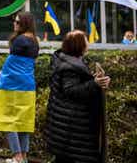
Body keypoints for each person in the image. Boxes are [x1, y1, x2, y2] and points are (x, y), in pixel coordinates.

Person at [46, 30, 110, 163]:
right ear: (79, 45)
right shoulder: (70, 66)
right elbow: (72, 91)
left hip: (65, 125)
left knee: (64, 158)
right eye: (85, 41)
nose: (88, 44)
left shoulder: (66, 61)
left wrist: (95, 81)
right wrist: (94, 83)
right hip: (72, 126)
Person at [0, 12, 39, 163]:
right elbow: (23, 65)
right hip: (27, 86)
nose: (14, 24)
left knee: (8, 120)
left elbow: (12, 62)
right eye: (14, 21)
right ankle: (24, 157)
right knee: (23, 122)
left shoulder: (19, 40)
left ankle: (17, 156)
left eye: (17, 22)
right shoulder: (35, 40)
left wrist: (3, 73)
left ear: (24, 24)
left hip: (11, 85)